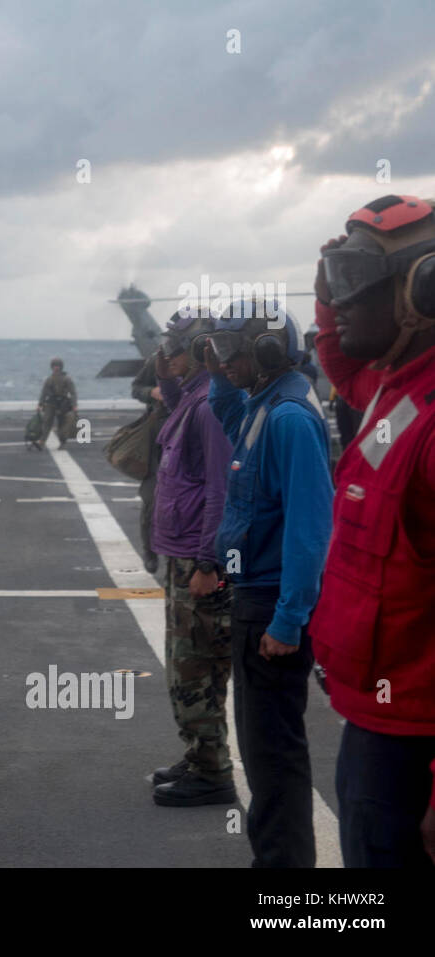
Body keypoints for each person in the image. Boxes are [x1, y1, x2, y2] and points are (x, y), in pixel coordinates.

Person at [310, 194, 435, 867]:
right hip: (375, 723)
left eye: (355, 284)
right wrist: (328, 295)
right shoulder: (396, 388)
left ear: (424, 286)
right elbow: (342, 364)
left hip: (414, 747)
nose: (340, 301)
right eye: (336, 282)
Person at [203, 298, 334, 867]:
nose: (224, 361)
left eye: (233, 351)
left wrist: (287, 620)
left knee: (273, 759)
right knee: (261, 756)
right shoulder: (265, 405)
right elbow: (225, 407)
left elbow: (310, 529)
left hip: (269, 611)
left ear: (267, 350)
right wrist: (216, 368)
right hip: (254, 598)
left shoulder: (288, 419)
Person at [148, 310, 236, 808]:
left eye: (175, 347)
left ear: (200, 348)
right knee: (192, 665)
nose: (167, 353)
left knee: (194, 670)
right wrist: (164, 372)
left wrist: (208, 562)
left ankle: (211, 771)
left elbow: (220, 491)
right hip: (182, 557)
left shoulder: (209, 408)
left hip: (197, 562)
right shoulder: (196, 399)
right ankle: (200, 753)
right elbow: (175, 402)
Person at [130, 354, 164, 573]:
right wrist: (151, 392)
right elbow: (137, 387)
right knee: (151, 497)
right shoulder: (160, 358)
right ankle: (150, 549)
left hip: (193, 435)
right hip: (158, 437)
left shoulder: (206, 358)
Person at [35, 357, 78, 449]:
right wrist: (40, 404)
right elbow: (44, 393)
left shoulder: (67, 379)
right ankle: (42, 442)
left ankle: (62, 441)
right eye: (54, 365)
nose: (56, 367)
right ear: (52, 367)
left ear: (61, 367)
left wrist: (74, 405)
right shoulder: (49, 379)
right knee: (47, 422)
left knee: (62, 424)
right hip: (51, 403)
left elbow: (73, 393)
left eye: (58, 366)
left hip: (63, 404)